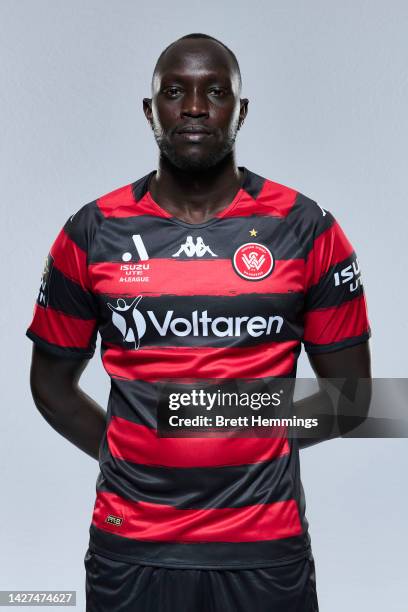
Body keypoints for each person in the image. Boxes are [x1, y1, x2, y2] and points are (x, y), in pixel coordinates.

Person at [26, 33, 372, 612]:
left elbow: (354, 400)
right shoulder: (91, 232)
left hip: (265, 551)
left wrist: (216, 419)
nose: (193, 107)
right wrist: (132, 456)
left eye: (215, 91)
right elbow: (51, 388)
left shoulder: (307, 228)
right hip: (131, 549)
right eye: (173, 91)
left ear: (240, 109)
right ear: (150, 110)